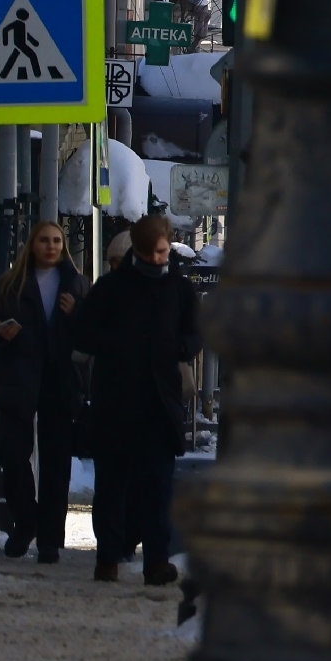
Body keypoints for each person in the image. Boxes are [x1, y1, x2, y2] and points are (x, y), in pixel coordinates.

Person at [74, 213, 201, 586]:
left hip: (160, 402)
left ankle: (156, 561)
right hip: (117, 400)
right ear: (138, 252)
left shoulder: (178, 288)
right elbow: (84, 333)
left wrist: (179, 348)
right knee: (112, 485)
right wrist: (120, 344)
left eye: (162, 252)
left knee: (157, 486)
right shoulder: (112, 287)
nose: (159, 259)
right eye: (152, 254)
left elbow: (196, 332)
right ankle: (108, 557)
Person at [0, 220, 87, 561]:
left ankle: (50, 539)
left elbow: (92, 332)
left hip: (59, 379)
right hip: (18, 377)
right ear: (32, 245)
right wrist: (1, 333)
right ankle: (25, 521)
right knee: (12, 455)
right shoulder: (12, 283)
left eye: (56, 240)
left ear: (63, 246)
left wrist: (76, 314)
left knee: (56, 462)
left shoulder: (76, 283)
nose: (50, 246)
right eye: (44, 240)